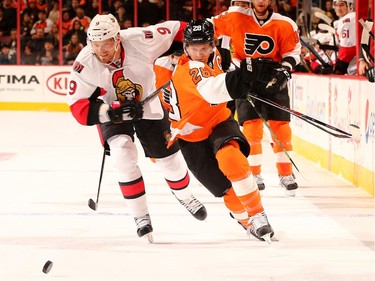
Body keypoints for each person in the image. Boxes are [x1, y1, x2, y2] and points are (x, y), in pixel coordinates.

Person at [66, 14, 207, 242]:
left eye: (106, 44)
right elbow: (77, 107)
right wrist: (110, 112)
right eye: (96, 44)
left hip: (148, 104)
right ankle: (140, 216)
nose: (101, 51)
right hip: (112, 110)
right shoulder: (85, 63)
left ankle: (186, 196)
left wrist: (195, 46)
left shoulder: (140, 39)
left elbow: (178, 29)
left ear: (118, 39)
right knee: (123, 155)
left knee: (170, 161)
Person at [165, 19, 282, 242]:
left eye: (204, 47)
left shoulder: (217, 53)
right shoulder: (189, 69)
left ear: (212, 45)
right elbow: (213, 91)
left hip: (218, 121)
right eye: (193, 48)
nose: (199, 53)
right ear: (186, 47)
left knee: (232, 160)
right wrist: (245, 77)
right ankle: (246, 221)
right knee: (227, 191)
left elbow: (230, 29)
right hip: (191, 138)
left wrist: (236, 64)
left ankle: (258, 215)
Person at [211, 0, 301, 196]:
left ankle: (286, 174)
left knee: (281, 127)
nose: (261, 1)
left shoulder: (285, 23)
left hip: (273, 79)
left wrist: (283, 72)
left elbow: (292, 53)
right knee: (251, 128)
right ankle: (255, 174)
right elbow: (210, 28)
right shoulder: (235, 17)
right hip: (246, 78)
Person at [332, 0, 356, 75]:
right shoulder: (341, 20)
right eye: (336, 5)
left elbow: (347, 50)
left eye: (341, 5)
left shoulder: (349, 19)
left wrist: (339, 68)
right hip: (352, 66)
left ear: (350, 6)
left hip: (353, 67)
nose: (339, 8)